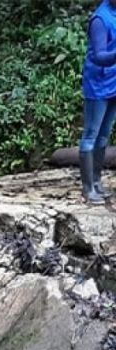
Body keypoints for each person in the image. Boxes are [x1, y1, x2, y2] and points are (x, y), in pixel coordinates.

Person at [82, 0, 116, 204]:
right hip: (98, 84)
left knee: (104, 136)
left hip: (114, 83)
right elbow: (100, 55)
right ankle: (87, 189)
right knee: (91, 135)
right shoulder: (100, 19)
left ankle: (97, 181)